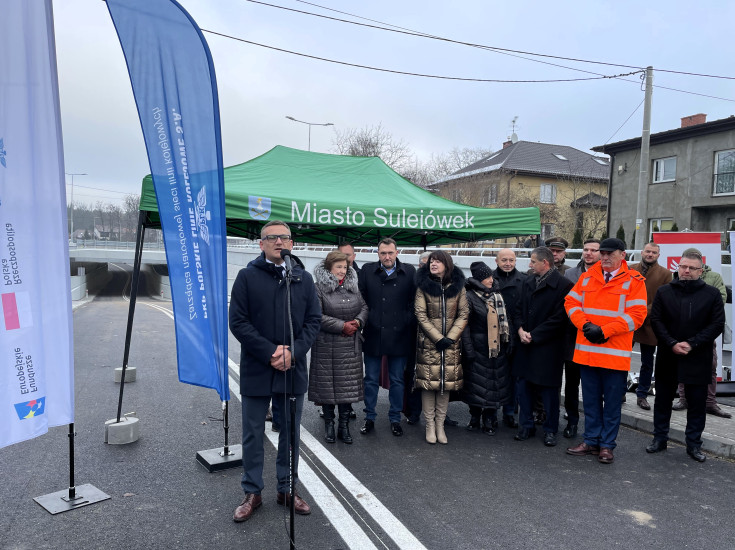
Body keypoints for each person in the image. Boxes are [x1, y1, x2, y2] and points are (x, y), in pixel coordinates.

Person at [230, 221, 321, 522]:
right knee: (253, 433)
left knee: (290, 433)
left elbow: (313, 321)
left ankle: (287, 488)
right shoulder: (246, 277)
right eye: (272, 238)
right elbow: (239, 321)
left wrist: (292, 352)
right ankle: (252, 492)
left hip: (292, 369)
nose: (279, 242)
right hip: (258, 367)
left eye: (284, 237)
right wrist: (270, 351)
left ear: (292, 244)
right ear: (261, 244)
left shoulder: (303, 279)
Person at [565, 238, 647, 464]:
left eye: (610, 253)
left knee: (611, 405)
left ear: (623, 254)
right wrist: (586, 325)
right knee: (590, 402)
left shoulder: (635, 280)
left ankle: (607, 445)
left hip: (614, 354)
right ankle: (591, 440)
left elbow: (637, 316)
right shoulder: (587, 276)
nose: (604, 257)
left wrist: (604, 330)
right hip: (588, 351)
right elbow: (570, 303)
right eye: (603, 253)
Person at [647, 249, 725, 462]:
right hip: (668, 354)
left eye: (692, 268)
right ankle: (659, 439)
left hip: (698, 356)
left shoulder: (712, 294)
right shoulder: (664, 292)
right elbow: (656, 320)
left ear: (701, 270)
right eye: (683, 266)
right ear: (677, 267)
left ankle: (693, 445)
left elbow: (717, 324)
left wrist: (692, 343)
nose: (686, 271)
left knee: (697, 404)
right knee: (663, 400)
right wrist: (672, 343)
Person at [512, 247, 574, 447]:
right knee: (524, 388)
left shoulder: (564, 286)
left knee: (549, 392)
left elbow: (559, 319)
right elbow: (517, 308)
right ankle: (526, 426)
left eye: (532, 261)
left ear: (545, 263)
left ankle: (550, 430)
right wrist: (521, 330)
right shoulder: (527, 281)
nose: (529, 265)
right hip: (525, 343)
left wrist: (534, 335)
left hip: (549, 347)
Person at [308, 251, 368, 444]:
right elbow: (317, 315)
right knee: (327, 388)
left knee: (346, 388)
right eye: (338, 267)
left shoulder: (353, 287)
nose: (342, 271)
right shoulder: (318, 288)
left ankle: (344, 425)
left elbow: (365, 307)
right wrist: (342, 326)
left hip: (350, 345)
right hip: (326, 345)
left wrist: (358, 322)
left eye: (344, 267)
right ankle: (329, 424)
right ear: (329, 269)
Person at [358, 238, 417, 437]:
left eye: (390, 253)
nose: (387, 257)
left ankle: (395, 419)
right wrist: (369, 319)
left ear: (397, 252)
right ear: (378, 254)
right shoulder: (367, 270)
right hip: (374, 331)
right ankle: (369, 417)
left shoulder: (409, 271)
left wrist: (405, 320)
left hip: (400, 333)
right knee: (371, 379)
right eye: (383, 253)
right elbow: (361, 298)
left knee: (397, 380)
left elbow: (414, 301)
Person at [414, 250, 469, 444]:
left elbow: (463, 314)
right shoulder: (423, 287)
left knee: (445, 385)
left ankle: (440, 425)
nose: (433, 264)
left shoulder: (458, 286)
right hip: (429, 344)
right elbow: (420, 314)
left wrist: (451, 338)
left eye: (437, 261)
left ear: (447, 264)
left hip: (451, 345)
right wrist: (438, 338)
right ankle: (430, 425)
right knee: (428, 384)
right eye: (431, 261)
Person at [672, 248, 732, 419]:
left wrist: (700, 303)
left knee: (710, 367)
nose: (687, 270)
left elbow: (721, 297)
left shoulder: (714, 277)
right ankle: (683, 399)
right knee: (682, 366)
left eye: (694, 263)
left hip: (705, 331)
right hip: (682, 330)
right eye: (685, 265)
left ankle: (710, 403)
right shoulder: (677, 276)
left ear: (700, 264)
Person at [461, 261, 513, 436]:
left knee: (495, 385)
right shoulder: (468, 296)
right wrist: (468, 349)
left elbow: (507, 321)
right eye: (487, 277)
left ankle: (489, 418)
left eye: (491, 276)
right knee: (475, 385)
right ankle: (474, 416)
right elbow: (464, 325)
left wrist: (508, 343)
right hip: (477, 348)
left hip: (497, 348)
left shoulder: (497, 295)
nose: (491, 280)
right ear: (479, 279)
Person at [563, 238, 601, 437]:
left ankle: (593, 426)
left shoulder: (606, 276)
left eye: (594, 250)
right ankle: (572, 420)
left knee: (593, 386)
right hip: (573, 336)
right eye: (586, 249)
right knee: (571, 383)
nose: (589, 253)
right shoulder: (570, 274)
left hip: (596, 337)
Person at [628, 242, 672, 411]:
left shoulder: (666, 274)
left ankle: (642, 395)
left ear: (658, 255)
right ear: (642, 252)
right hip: (628, 322)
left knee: (647, 362)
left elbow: (663, 299)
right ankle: (620, 392)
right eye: (648, 251)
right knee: (623, 359)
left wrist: (641, 312)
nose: (650, 254)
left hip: (649, 323)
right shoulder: (630, 269)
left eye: (654, 252)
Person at [493, 248, 527, 428]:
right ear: (496, 261)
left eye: (511, 260)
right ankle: (491, 411)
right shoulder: (489, 280)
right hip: (493, 334)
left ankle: (509, 411)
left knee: (514, 376)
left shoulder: (524, 280)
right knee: (495, 375)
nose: (508, 263)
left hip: (515, 333)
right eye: (504, 260)